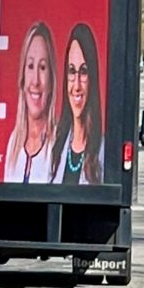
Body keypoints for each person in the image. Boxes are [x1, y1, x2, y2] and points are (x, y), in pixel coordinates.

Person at [50, 23, 105, 185]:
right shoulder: (55, 144)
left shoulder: (103, 150)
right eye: (72, 71)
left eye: (84, 71)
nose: (77, 85)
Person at [4, 22, 58, 183]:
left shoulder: (60, 144)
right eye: (30, 66)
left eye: (42, 67)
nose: (35, 81)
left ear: (52, 81)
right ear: (22, 78)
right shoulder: (14, 143)